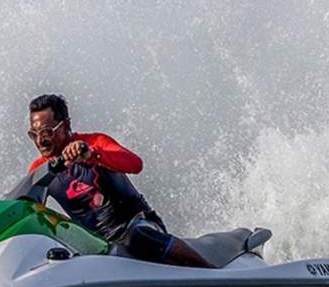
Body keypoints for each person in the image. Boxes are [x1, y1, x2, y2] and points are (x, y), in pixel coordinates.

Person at [25, 94, 214, 268]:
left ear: (66, 126)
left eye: (47, 132)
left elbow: (135, 164)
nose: (41, 141)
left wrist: (92, 155)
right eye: (34, 134)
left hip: (138, 225)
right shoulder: (39, 170)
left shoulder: (95, 142)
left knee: (138, 238)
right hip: (98, 245)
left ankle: (211, 273)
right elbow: (29, 209)